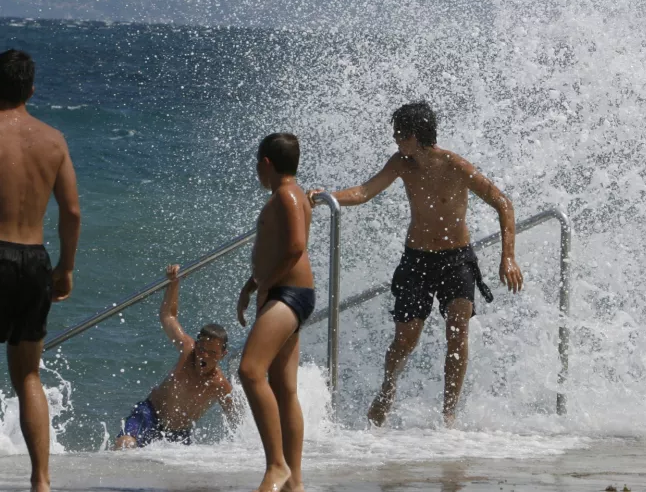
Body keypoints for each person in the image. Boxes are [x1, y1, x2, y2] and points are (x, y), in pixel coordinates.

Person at [310, 101, 523, 428]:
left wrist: (507, 257)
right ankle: (387, 389)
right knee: (405, 339)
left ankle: (448, 414)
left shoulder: (454, 165)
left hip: (457, 258)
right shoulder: (401, 163)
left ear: (415, 135)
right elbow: (365, 191)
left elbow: (502, 203)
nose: (395, 139)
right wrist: (326, 197)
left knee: (457, 334)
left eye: (399, 134)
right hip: (417, 259)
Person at [0, 49, 81, 492]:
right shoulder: (53, 140)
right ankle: (42, 482)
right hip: (33, 260)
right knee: (28, 374)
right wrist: (66, 267)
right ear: (31, 90)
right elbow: (71, 211)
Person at [236, 133, 314, 492]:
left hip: (289, 295)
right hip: (286, 294)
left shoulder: (286, 194)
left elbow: (296, 246)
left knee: (250, 370)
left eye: (257, 165)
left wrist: (266, 282)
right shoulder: (291, 195)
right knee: (284, 389)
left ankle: (276, 465)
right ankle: (294, 482)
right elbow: (277, 247)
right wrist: (253, 285)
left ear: (265, 163)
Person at [113, 264, 237, 449]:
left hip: (178, 435)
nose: (204, 355)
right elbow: (168, 316)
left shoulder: (220, 385)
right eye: (201, 349)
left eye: (212, 353)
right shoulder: (188, 349)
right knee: (125, 444)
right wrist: (173, 283)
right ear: (196, 344)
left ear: (222, 355)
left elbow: (236, 419)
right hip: (149, 414)